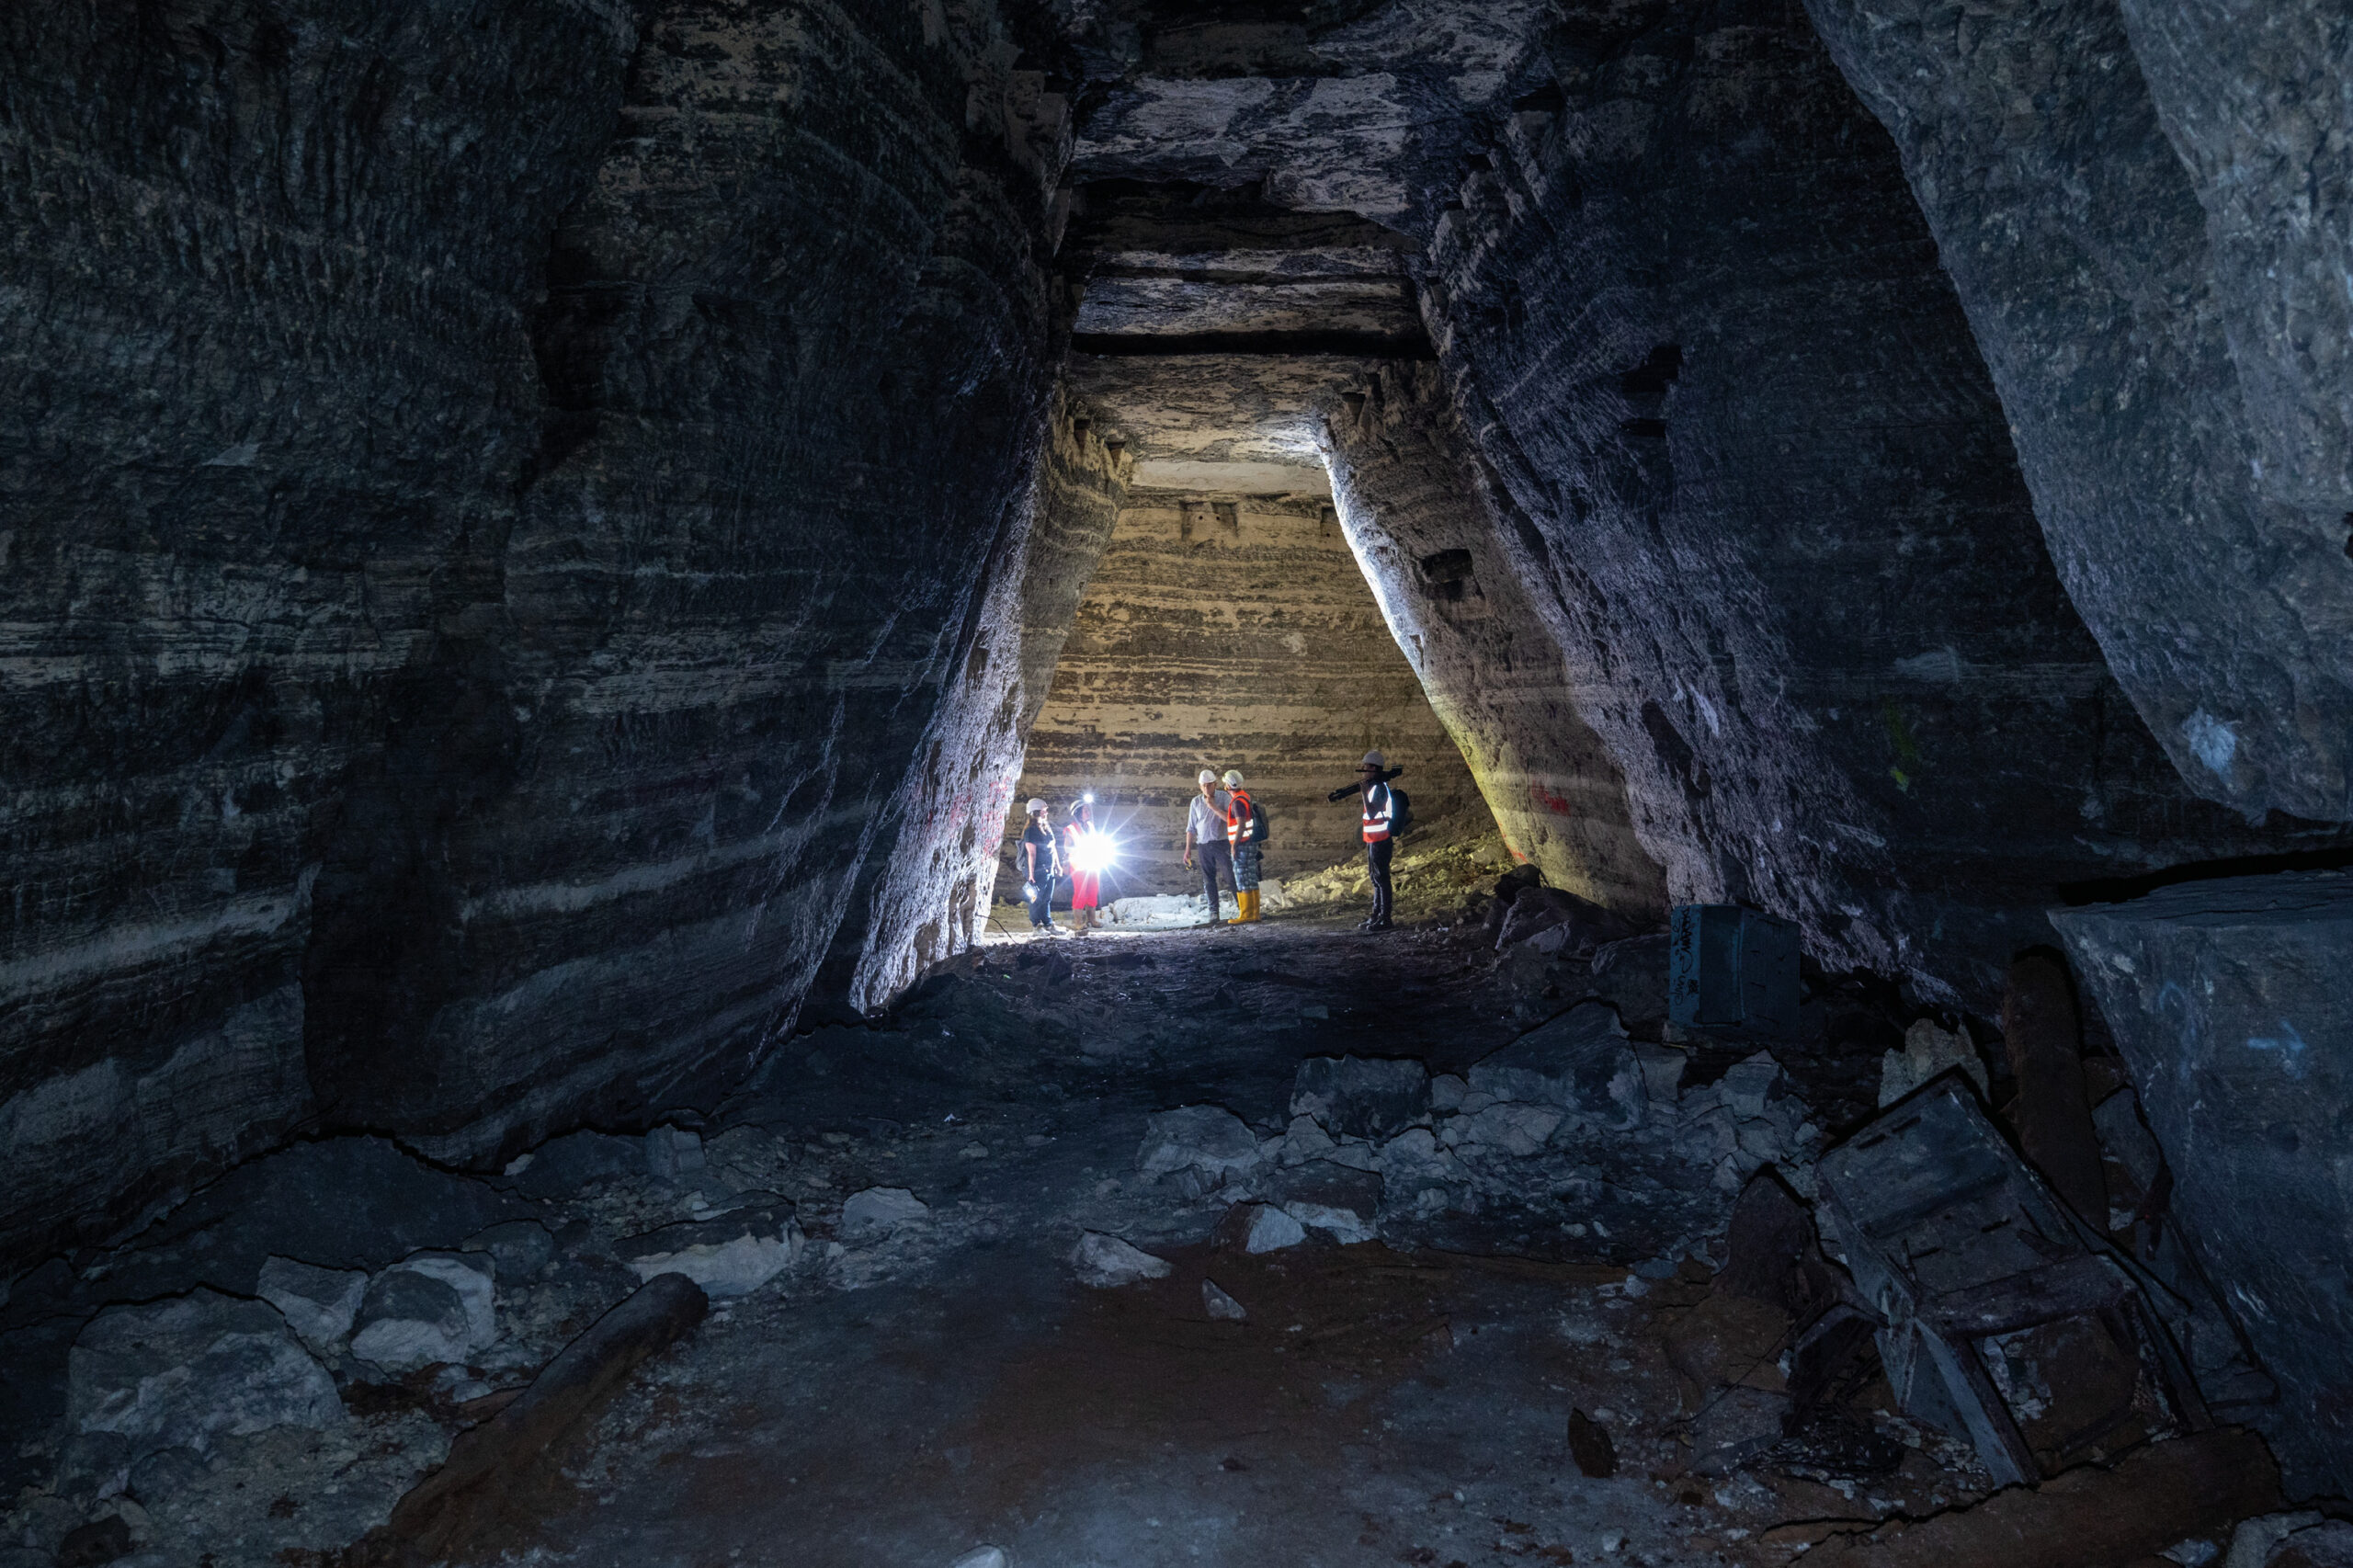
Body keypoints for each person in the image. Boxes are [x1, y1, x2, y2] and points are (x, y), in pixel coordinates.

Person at [1181, 767, 1234, 927]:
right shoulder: (1196, 802)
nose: (1206, 789)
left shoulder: (1224, 797)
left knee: (1230, 876)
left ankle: (1242, 907)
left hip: (1222, 843)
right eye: (1203, 786)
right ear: (1200, 786)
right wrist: (1188, 850)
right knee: (1208, 880)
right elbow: (1191, 828)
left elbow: (1230, 819)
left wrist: (1213, 807)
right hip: (1203, 845)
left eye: (1209, 785)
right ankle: (1213, 913)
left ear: (1215, 784)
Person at [1357, 750, 1396, 931]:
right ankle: (1376, 916)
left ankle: (1385, 918)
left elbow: (1372, 812)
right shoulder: (1374, 787)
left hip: (1381, 840)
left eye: (1366, 767)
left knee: (1381, 878)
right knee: (1375, 878)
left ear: (1373, 768)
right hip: (1373, 839)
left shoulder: (1379, 788)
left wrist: (1364, 793)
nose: (1363, 770)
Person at [1222, 768, 1262, 924]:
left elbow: (1240, 825)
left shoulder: (1237, 802)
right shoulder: (1245, 796)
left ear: (1229, 784)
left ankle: (1246, 915)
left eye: (1225, 782)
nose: (1224, 784)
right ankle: (1255, 914)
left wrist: (1234, 845)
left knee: (1243, 878)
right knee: (1251, 877)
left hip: (1242, 845)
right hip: (1250, 843)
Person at [1018, 798, 1060, 933]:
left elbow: (1053, 848)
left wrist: (1057, 865)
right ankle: (1037, 926)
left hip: (1049, 869)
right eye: (1044, 810)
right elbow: (1032, 853)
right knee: (1036, 899)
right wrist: (1031, 874)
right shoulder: (1031, 830)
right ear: (1036, 811)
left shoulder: (1046, 827)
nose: (1046, 812)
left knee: (1046, 898)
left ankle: (1048, 924)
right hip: (1037, 870)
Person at [1063, 797, 1103, 933]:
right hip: (1078, 865)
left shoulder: (1090, 826)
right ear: (1078, 812)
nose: (1088, 812)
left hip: (1093, 863)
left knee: (1093, 890)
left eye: (1088, 810)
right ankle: (1078, 922)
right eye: (1085, 810)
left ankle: (1092, 919)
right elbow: (1067, 848)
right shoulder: (1070, 829)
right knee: (1080, 893)